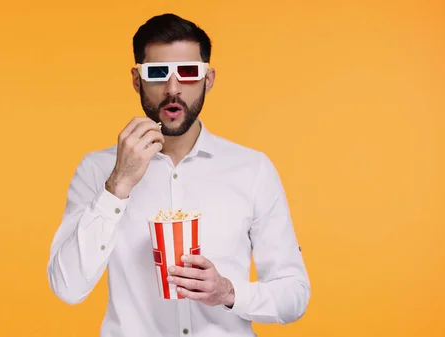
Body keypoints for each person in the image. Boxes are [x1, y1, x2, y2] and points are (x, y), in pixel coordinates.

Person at [47, 13, 311, 337]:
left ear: (208, 79)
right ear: (136, 79)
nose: (173, 89)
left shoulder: (253, 170)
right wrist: (117, 186)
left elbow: (294, 294)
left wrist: (228, 292)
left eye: (188, 72)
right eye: (158, 73)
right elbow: (67, 287)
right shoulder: (98, 170)